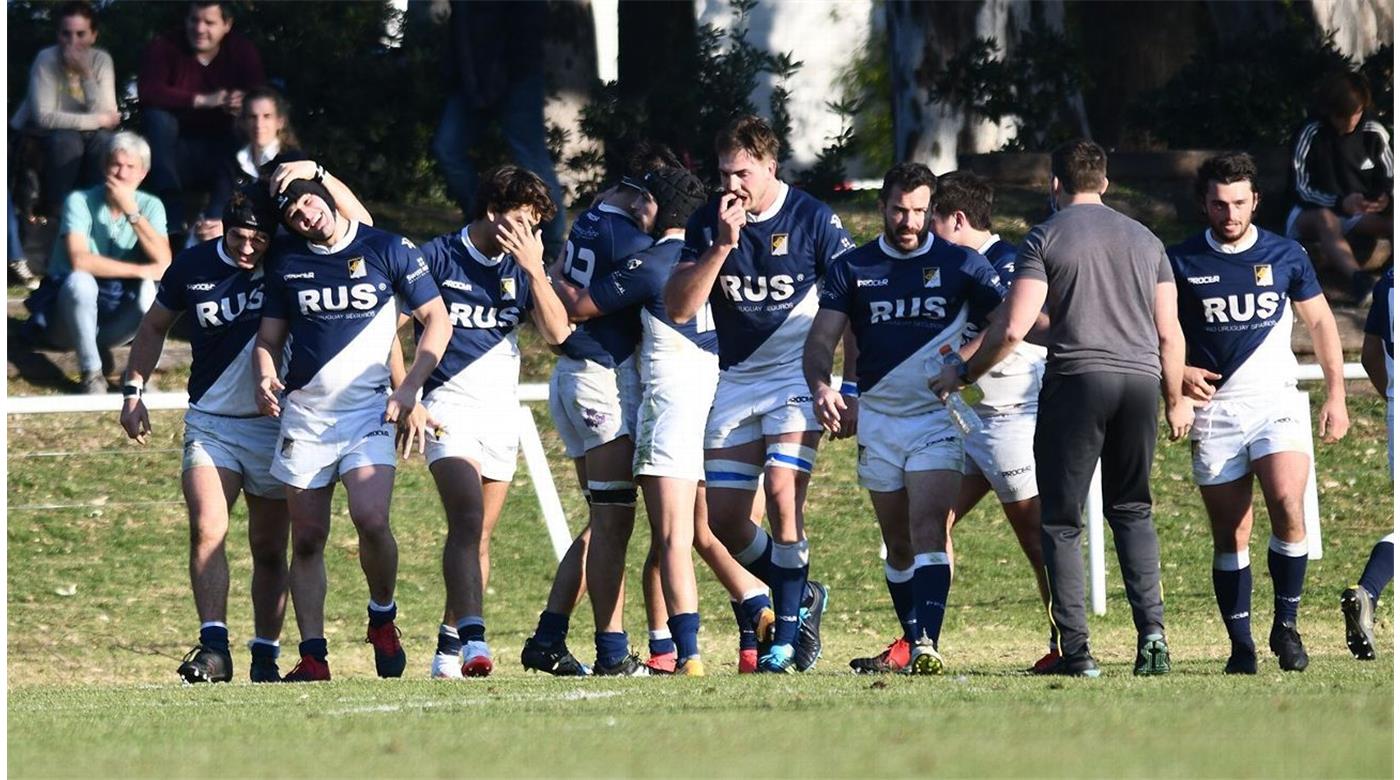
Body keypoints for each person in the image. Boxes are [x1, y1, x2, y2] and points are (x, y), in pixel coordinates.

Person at [933, 139, 1194, 678]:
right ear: (1105, 181)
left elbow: (1012, 327)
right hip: (1141, 382)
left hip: (1077, 382)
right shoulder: (1147, 241)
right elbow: (1170, 332)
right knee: (1133, 510)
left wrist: (962, 373)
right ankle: (1154, 637)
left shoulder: (1045, 236)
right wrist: (1175, 399)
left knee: (1061, 521)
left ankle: (1077, 651)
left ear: (1055, 184)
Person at [665, 114, 855, 673]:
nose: (733, 185)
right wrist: (721, 247)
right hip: (737, 379)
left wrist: (849, 385)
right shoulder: (709, 221)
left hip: (797, 379)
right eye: (724, 173)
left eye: (743, 173)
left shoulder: (813, 218)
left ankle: (787, 637)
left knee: (780, 489)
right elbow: (678, 306)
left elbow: (855, 305)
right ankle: (803, 594)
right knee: (722, 522)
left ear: (771, 167)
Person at [848, 169, 1053, 675]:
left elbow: (1012, 331)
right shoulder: (944, 267)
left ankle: (1067, 635)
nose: (918, 228)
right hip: (957, 421)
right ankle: (918, 640)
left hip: (1007, 421)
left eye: (928, 217)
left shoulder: (1009, 265)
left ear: (954, 218)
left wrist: (956, 366)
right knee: (925, 531)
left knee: (1035, 534)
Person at [805, 162, 1006, 674]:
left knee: (928, 528)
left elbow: (1008, 321)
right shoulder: (855, 268)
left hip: (934, 420)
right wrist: (823, 386)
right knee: (896, 543)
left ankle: (926, 646)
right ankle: (914, 634)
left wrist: (964, 366)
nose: (909, 221)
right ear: (883, 207)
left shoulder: (962, 264)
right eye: (900, 209)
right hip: (878, 419)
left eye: (919, 211)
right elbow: (822, 339)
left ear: (932, 209)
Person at [252, 173, 450, 682]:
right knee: (309, 537)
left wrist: (409, 390)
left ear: (325, 197)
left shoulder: (387, 247)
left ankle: (382, 616)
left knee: (371, 519)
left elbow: (437, 319)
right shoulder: (287, 263)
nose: (304, 212)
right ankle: (314, 656)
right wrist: (265, 372)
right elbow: (268, 339)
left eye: (307, 201)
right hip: (307, 415)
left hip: (369, 412)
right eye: (292, 212)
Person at [1168, 152, 1349, 674]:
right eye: (1219, 204)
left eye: (1240, 203)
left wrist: (1335, 395)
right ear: (1204, 203)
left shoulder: (1286, 254)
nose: (1230, 214)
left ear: (1256, 202)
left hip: (1276, 402)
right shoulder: (1179, 261)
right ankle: (1241, 645)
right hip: (1216, 412)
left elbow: (1319, 325)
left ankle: (1286, 626)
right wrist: (1177, 379)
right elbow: (1154, 333)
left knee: (1288, 502)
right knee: (1232, 534)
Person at [118, 186, 289, 683]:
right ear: (224, 227)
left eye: (259, 238)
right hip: (212, 424)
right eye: (240, 236)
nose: (248, 247)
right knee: (207, 528)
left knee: (270, 547)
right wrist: (133, 391)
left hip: (275, 423)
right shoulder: (193, 266)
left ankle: (266, 653)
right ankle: (214, 647)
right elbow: (152, 328)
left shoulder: (286, 261)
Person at [408, 166, 571, 679]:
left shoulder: (523, 265)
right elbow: (389, 329)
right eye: (522, 221)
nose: (529, 233)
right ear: (493, 211)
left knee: (479, 536)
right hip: (446, 406)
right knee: (467, 518)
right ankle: (477, 642)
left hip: (499, 411)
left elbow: (557, 333)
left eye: (535, 225)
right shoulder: (436, 257)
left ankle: (447, 648)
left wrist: (536, 270)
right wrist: (407, 391)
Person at [23, 131, 171, 394]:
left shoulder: (151, 206)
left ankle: (139, 374)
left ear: (143, 173)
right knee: (80, 282)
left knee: (156, 290)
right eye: (116, 164)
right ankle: (92, 373)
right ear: (104, 167)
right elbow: (80, 261)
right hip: (65, 321)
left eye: (130, 167)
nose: (121, 174)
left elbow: (165, 262)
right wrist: (140, 270)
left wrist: (131, 211)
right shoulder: (80, 201)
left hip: (114, 321)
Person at [431, 0, 565, 259]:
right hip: (472, 76)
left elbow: (527, 24)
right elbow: (461, 27)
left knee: (531, 156)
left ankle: (552, 242)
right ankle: (483, 220)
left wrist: (504, 73)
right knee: (448, 149)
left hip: (516, 75)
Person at [138, 1, 265, 236]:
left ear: (226, 25)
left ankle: (216, 219)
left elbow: (260, 94)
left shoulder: (241, 50)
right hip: (175, 152)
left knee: (247, 123)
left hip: (222, 151)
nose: (199, 29)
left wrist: (242, 101)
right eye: (194, 20)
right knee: (157, 119)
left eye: (209, 22)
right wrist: (202, 100)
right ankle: (172, 217)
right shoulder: (165, 46)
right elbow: (148, 91)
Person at [1286, 70, 1393, 305]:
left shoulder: (1374, 131)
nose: (1349, 122)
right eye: (1342, 116)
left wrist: (1385, 198)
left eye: (1355, 114)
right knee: (1327, 219)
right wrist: (1338, 202)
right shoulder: (1311, 132)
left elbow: (1390, 175)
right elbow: (1299, 187)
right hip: (1310, 212)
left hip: (1357, 214)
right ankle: (1360, 281)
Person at [13, 1, 121, 219]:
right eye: (66, 34)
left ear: (93, 36)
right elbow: (43, 117)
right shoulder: (46, 59)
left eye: (81, 34)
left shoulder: (101, 60)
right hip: (46, 135)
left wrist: (87, 76)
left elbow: (108, 113)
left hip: (90, 136)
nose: (73, 42)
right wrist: (97, 120)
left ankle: (97, 210)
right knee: (67, 140)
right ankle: (58, 209)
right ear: (58, 34)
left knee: (104, 142)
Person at [1342, 268, 1394, 661]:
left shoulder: (1390, 279)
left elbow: (1370, 355)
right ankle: (1368, 592)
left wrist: (1392, 399)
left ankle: (1368, 592)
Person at [191, 86, 303, 244]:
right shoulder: (231, 160)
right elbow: (219, 202)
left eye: (267, 116)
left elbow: (290, 215)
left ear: (280, 122)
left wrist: (227, 229)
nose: (259, 124)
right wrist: (209, 225)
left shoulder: (293, 161)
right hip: (233, 238)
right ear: (243, 122)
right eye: (252, 117)